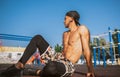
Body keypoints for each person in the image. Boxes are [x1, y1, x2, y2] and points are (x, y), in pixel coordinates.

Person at [1, 10, 95, 77]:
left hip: (68, 64)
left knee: (51, 67)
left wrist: (90, 70)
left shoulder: (82, 29)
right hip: (58, 58)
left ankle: (36, 72)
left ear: (71, 19)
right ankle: (20, 65)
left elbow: (87, 51)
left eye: (65, 18)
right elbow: (64, 51)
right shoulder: (65, 34)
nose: (63, 21)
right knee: (38, 38)